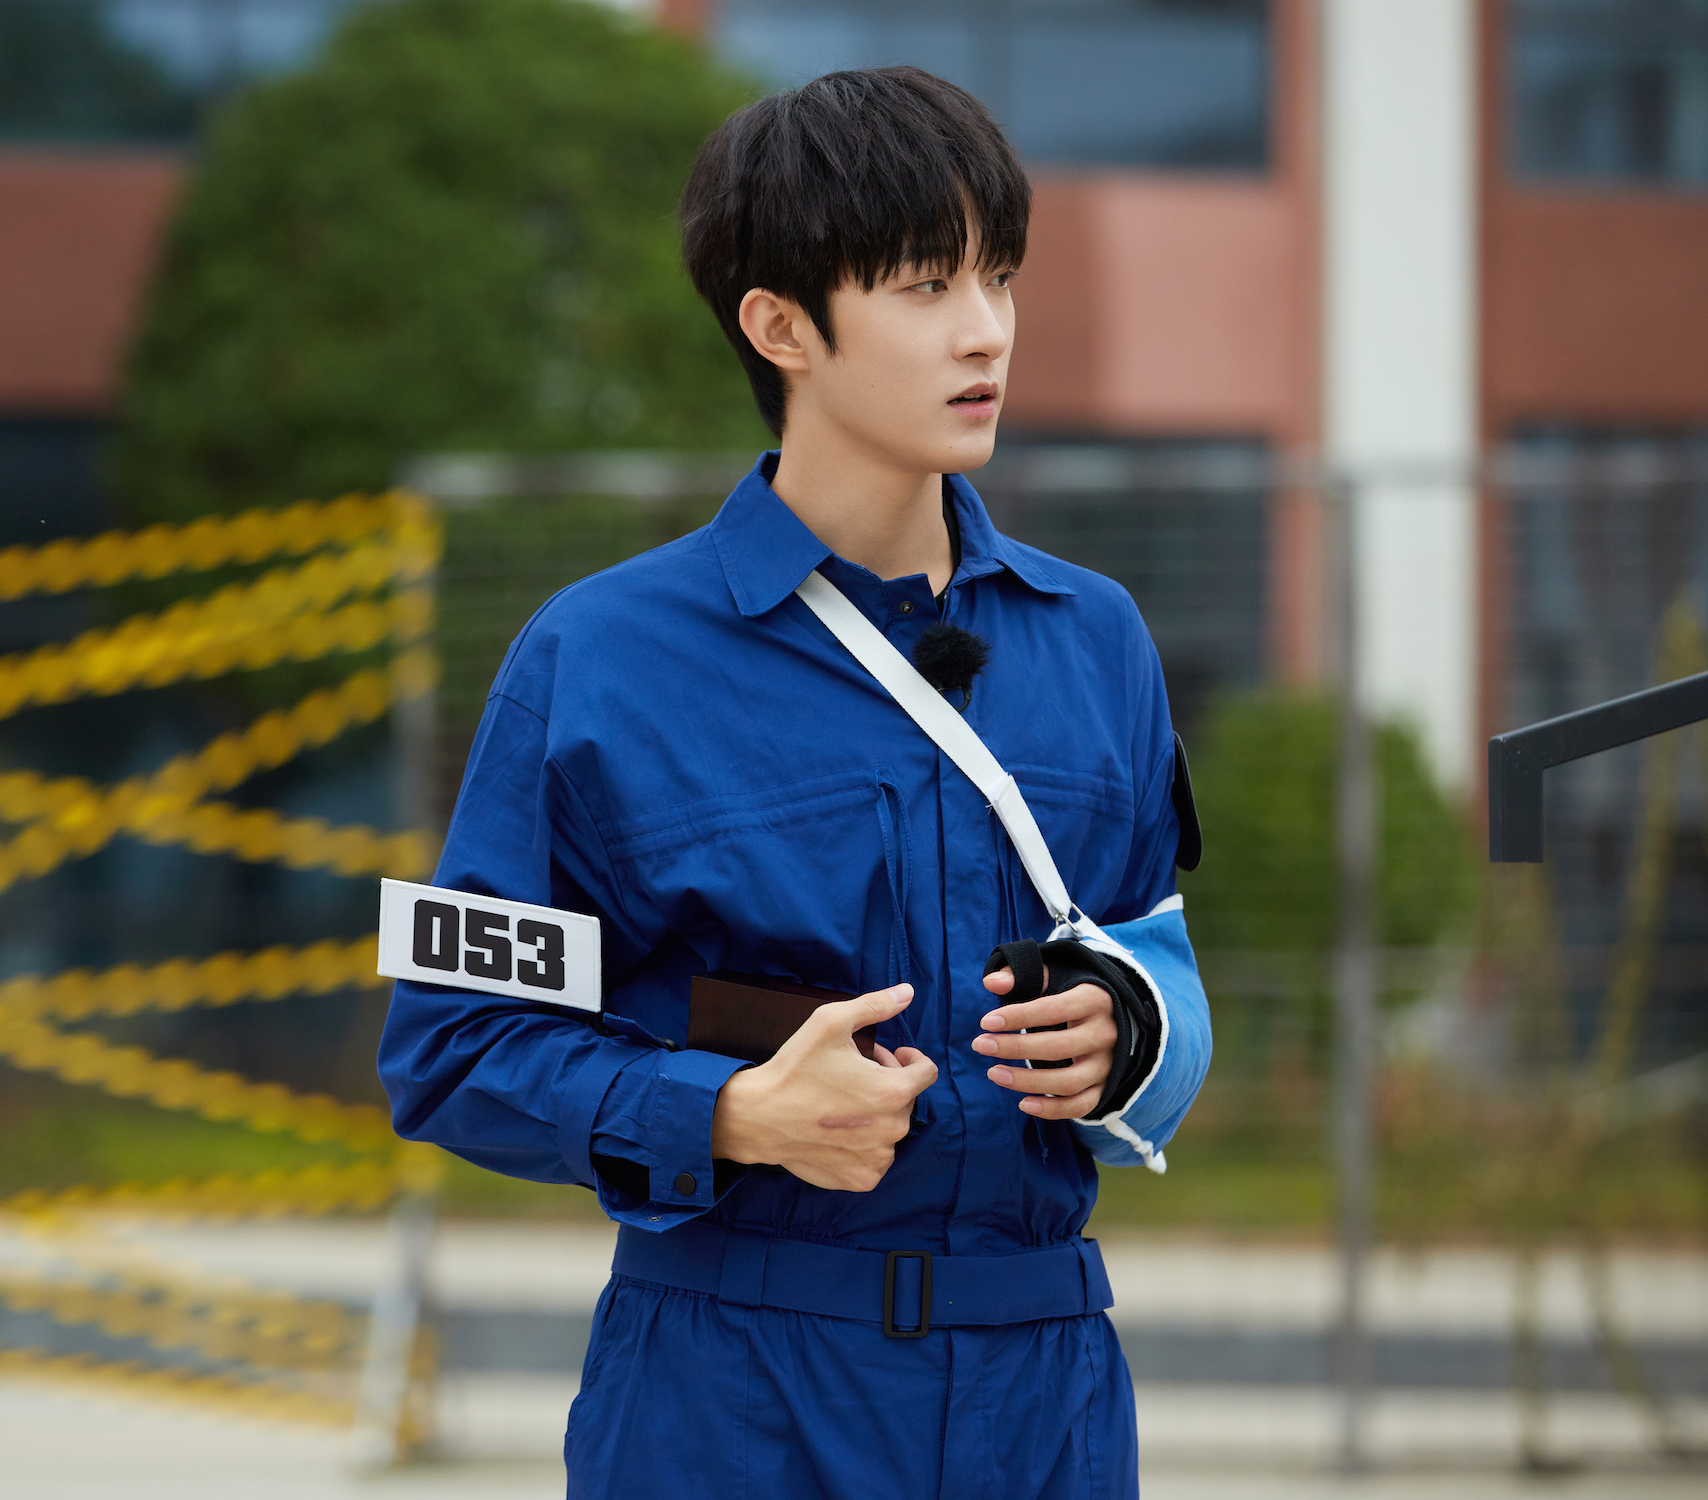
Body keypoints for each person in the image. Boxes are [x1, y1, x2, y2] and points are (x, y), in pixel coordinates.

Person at [378, 66, 1210, 1500]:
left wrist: (1128, 1036)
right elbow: (452, 1047)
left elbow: (1159, 962)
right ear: (780, 327)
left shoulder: (1096, 640)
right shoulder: (600, 658)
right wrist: (726, 1114)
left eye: (1000, 277)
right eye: (925, 285)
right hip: (732, 1397)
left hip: (1045, 1394)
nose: (985, 330)